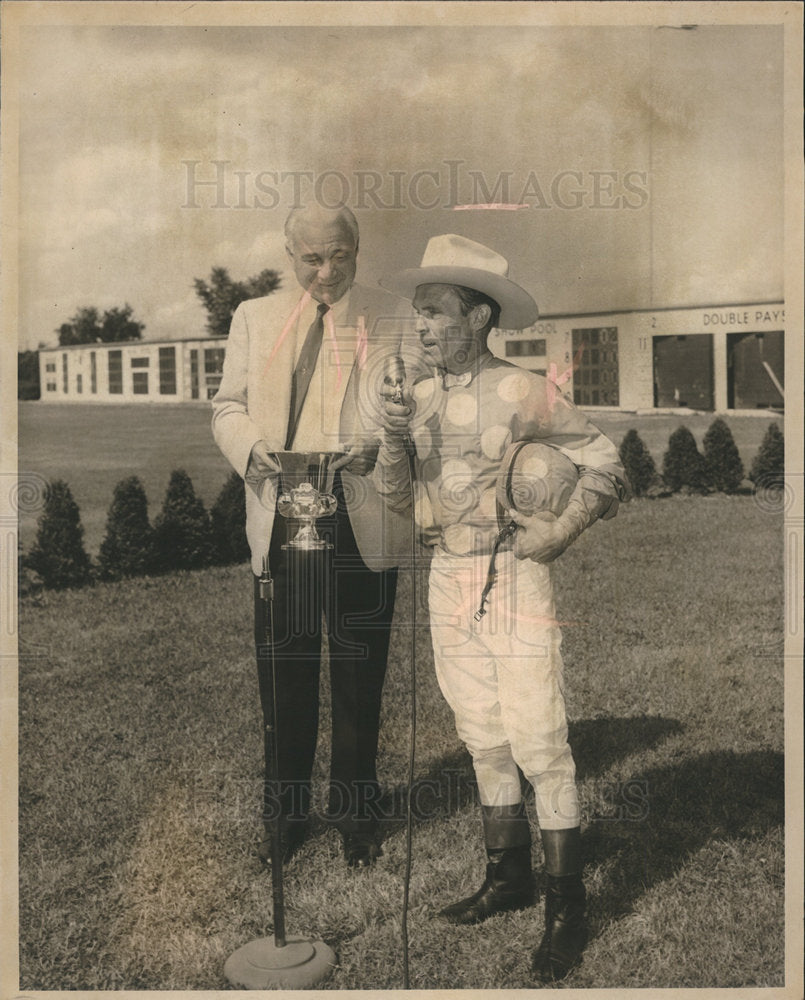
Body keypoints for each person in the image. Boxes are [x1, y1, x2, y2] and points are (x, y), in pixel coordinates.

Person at [373, 234, 629, 980]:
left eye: (434, 312)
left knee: (539, 741)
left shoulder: (522, 390)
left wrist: (557, 531)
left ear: (478, 317)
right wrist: (392, 437)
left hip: (514, 575)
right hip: (445, 576)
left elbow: (604, 459)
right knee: (481, 736)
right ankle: (507, 877)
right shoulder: (413, 397)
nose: (419, 325)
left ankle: (566, 906)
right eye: (417, 312)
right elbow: (395, 499)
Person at [212, 204, 409, 869]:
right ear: (288, 253)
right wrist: (251, 448)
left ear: (358, 249)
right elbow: (227, 405)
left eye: (341, 257)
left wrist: (379, 445)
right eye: (312, 259)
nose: (326, 272)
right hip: (282, 516)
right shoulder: (252, 317)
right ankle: (286, 816)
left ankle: (357, 813)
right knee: (284, 674)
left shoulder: (394, 315)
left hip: (363, 517)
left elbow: (421, 407)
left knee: (359, 673)